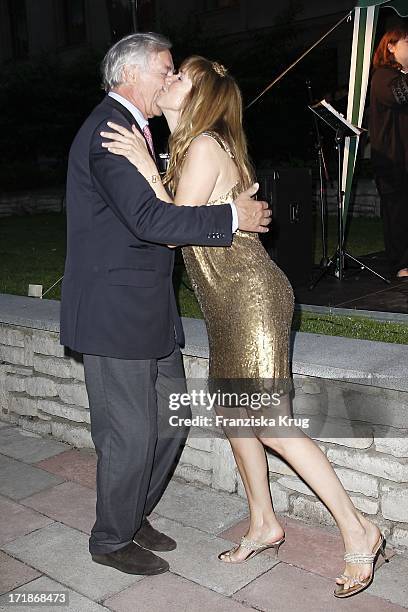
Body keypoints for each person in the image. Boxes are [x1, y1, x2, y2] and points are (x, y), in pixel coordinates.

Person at [101, 55, 389, 599]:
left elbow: (170, 230)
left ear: (200, 96)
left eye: (180, 76)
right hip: (229, 301)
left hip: (250, 297)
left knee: (269, 421)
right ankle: (263, 523)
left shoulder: (207, 145)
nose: (170, 80)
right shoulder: (199, 146)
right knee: (235, 419)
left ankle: (359, 530)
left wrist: (143, 163)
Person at [60, 33, 271, 577]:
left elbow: (160, 202)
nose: (174, 76)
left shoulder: (138, 130)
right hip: (114, 313)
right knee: (128, 433)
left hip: (147, 310)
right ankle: (110, 538)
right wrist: (232, 217)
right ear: (131, 74)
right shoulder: (111, 130)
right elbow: (152, 222)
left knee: (172, 421)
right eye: (167, 68)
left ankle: (130, 514)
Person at [370, 25, 408, 279]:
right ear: (391, 46)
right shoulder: (383, 76)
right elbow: (399, 95)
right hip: (393, 160)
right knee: (399, 213)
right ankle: (401, 264)